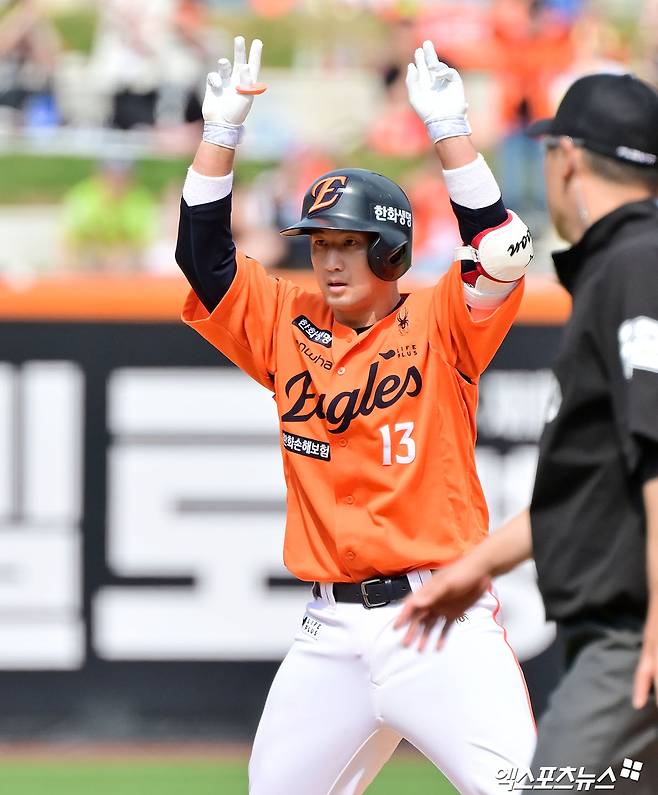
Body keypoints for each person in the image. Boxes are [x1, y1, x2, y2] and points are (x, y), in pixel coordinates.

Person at [175, 35, 536, 794]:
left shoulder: (441, 320)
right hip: (329, 632)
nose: (329, 260)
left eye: (349, 243)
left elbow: (503, 249)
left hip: (440, 616)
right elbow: (202, 258)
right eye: (320, 244)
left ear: (391, 252)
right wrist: (220, 135)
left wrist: (449, 132)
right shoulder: (287, 320)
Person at [396, 72, 658, 791]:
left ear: (567, 157)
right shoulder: (625, 263)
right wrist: (478, 565)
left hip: (631, 639)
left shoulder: (636, 262)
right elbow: (595, 486)